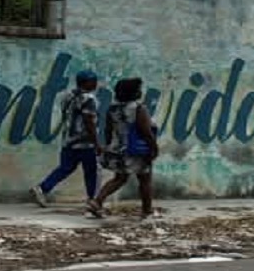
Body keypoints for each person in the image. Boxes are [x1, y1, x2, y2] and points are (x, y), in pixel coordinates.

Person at [87, 77, 159, 220]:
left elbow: (107, 129)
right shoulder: (139, 108)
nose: (140, 92)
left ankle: (97, 201)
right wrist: (153, 148)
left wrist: (108, 146)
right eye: (138, 89)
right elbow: (145, 131)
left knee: (119, 178)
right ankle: (147, 210)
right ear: (133, 92)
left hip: (117, 149)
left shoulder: (112, 108)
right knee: (145, 179)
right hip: (136, 151)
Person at [30, 70, 102, 209]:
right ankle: (92, 199)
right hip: (84, 141)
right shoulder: (89, 99)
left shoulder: (67, 95)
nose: (95, 83)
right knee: (91, 170)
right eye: (93, 81)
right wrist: (96, 142)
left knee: (65, 167)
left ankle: (43, 188)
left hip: (68, 139)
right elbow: (89, 122)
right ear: (86, 82)